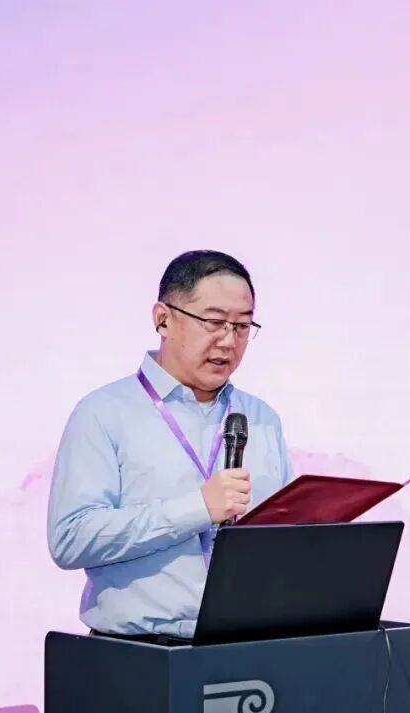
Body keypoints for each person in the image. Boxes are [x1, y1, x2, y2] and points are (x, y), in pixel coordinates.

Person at [47, 250, 294, 638]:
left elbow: (286, 536)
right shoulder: (104, 412)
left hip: (249, 646)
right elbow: (71, 539)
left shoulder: (262, 418)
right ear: (163, 319)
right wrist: (198, 508)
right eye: (214, 322)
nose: (228, 341)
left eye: (242, 326)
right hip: (141, 652)